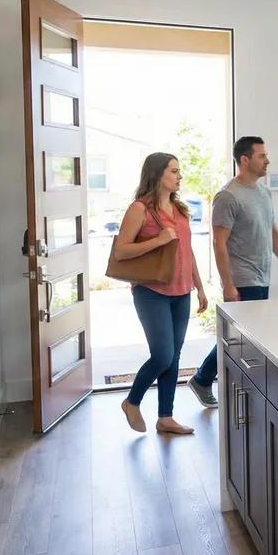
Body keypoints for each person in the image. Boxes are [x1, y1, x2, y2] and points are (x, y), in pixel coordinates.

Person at [188, 136, 278, 408]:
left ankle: (209, 380)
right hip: (241, 278)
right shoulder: (228, 196)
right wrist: (228, 284)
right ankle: (206, 379)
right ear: (245, 159)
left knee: (248, 335)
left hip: (262, 275)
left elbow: (271, 232)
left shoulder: (264, 193)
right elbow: (219, 243)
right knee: (240, 337)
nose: (267, 160)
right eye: (262, 155)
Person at [114, 152, 209, 434]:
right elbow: (121, 250)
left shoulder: (180, 210)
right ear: (157, 174)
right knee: (163, 355)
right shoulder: (139, 209)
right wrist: (158, 239)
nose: (179, 176)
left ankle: (165, 417)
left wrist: (200, 286)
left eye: (179, 171)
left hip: (182, 291)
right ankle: (132, 401)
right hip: (150, 291)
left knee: (175, 356)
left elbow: (187, 250)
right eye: (174, 171)